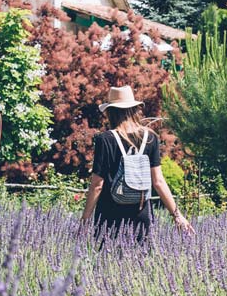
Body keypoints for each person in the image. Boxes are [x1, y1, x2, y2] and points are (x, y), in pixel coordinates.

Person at [81, 85, 191, 238]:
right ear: (134, 110)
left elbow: (97, 185)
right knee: (140, 260)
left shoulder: (105, 139)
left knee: (107, 260)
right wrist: (177, 215)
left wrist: (85, 220)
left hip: (110, 215)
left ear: (110, 112)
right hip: (141, 213)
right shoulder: (150, 138)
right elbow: (158, 181)